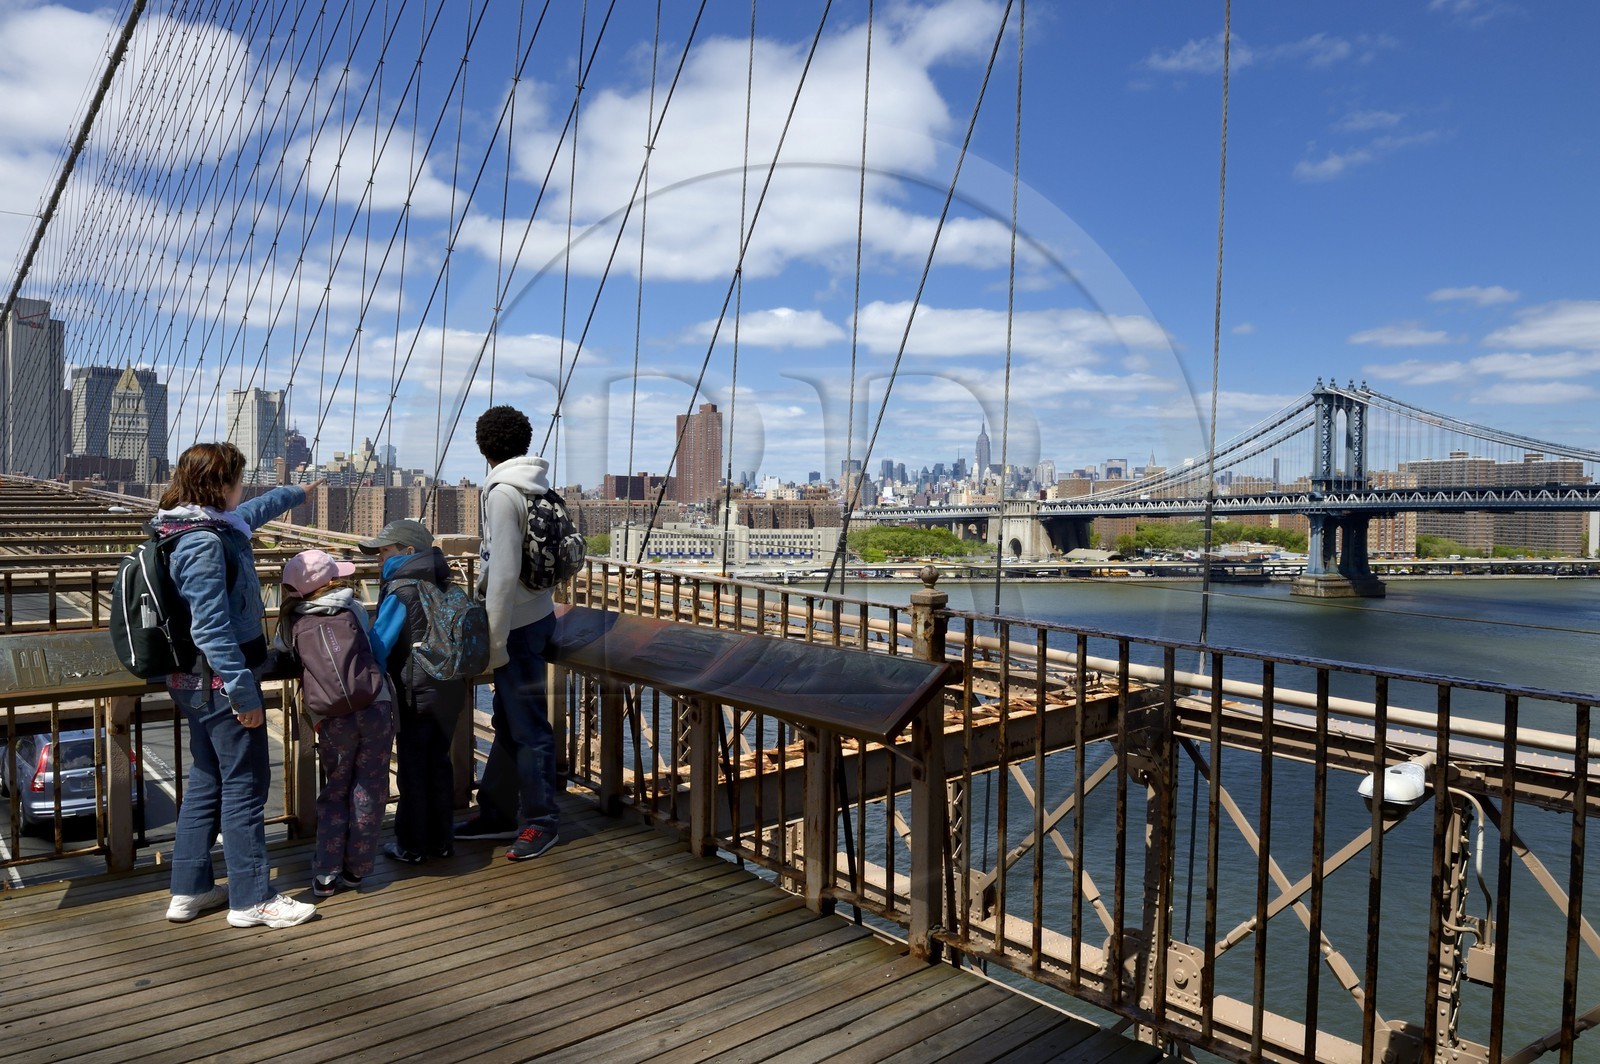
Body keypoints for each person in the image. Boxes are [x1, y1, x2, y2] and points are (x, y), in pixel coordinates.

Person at [159, 442, 318, 929]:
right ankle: (252, 899)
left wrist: (296, 492)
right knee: (246, 785)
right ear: (220, 485)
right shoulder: (203, 543)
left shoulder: (195, 524)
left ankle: (190, 890)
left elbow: (252, 512)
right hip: (218, 684)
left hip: (196, 683)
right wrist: (242, 693)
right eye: (238, 480)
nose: (242, 489)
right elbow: (210, 628)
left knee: (208, 779)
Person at [453, 405, 560, 860]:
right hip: (540, 616)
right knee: (510, 721)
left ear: (483, 448)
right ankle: (496, 813)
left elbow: (501, 573)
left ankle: (542, 822)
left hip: (514, 627)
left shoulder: (501, 493)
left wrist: (494, 644)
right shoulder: (540, 487)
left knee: (529, 726)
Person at [277, 548, 394, 898]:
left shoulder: (292, 619)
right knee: (370, 787)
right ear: (329, 581)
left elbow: (283, 653)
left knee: (335, 790)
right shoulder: (352, 606)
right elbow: (370, 645)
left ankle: (326, 873)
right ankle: (357, 869)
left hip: (331, 717)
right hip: (374, 705)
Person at [361, 518, 467, 864]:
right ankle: (442, 841)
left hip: (415, 694)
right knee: (438, 765)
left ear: (408, 551)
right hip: (450, 689)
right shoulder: (447, 582)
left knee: (413, 770)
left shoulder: (401, 590)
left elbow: (379, 645)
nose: (379, 558)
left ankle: (411, 846)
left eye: (384, 551)